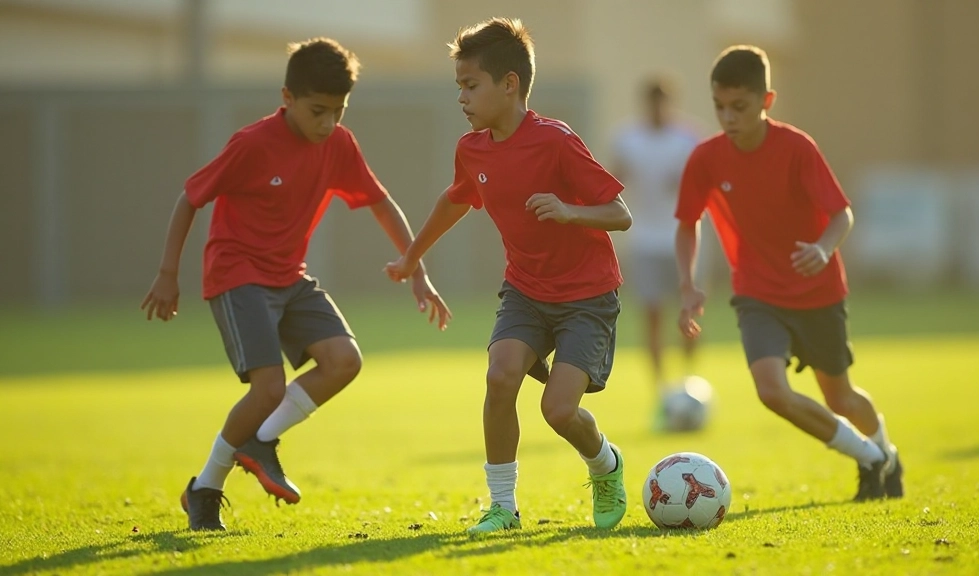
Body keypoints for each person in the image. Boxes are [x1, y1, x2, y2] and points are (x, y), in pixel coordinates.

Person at [141, 38, 451, 531]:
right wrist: (166, 274)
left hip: (290, 277)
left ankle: (250, 448)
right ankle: (209, 488)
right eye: (317, 111)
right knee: (267, 389)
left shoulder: (339, 144)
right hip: (237, 275)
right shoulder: (252, 144)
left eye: (339, 111)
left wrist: (418, 272)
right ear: (287, 98)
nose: (328, 123)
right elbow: (189, 198)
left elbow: (380, 201)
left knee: (344, 361)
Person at [385, 18, 631, 533]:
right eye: (459, 87)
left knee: (558, 411)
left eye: (470, 86)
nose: (462, 98)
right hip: (525, 290)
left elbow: (618, 213)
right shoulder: (471, 149)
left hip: (588, 296)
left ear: (510, 84)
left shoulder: (557, 141)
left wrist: (569, 210)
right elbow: (455, 201)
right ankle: (502, 507)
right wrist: (412, 257)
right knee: (500, 378)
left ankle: (605, 465)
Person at [674, 45, 903, 501]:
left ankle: (885, 452)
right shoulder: (706, 159)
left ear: (767, 101)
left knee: (840, 397)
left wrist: (822, 248)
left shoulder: (797, 147)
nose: (728, 117)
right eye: (719, 107)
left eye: (739, 107)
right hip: (757, 292)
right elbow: (687, 224)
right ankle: (868, 457)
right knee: (772, 392)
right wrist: (688, 285)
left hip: (818, 292)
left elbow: (842, 215)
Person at [609, 77, 708, 418]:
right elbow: (613, 181)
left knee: (689, 312)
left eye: (663, 101)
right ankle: (661, 390)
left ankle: (689, 381)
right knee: (651, 315)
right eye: (652, 102)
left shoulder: (687, 138)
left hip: (683, 238)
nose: (658, 108)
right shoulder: (627, 139)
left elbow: (704, 183)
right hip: (645, 239)